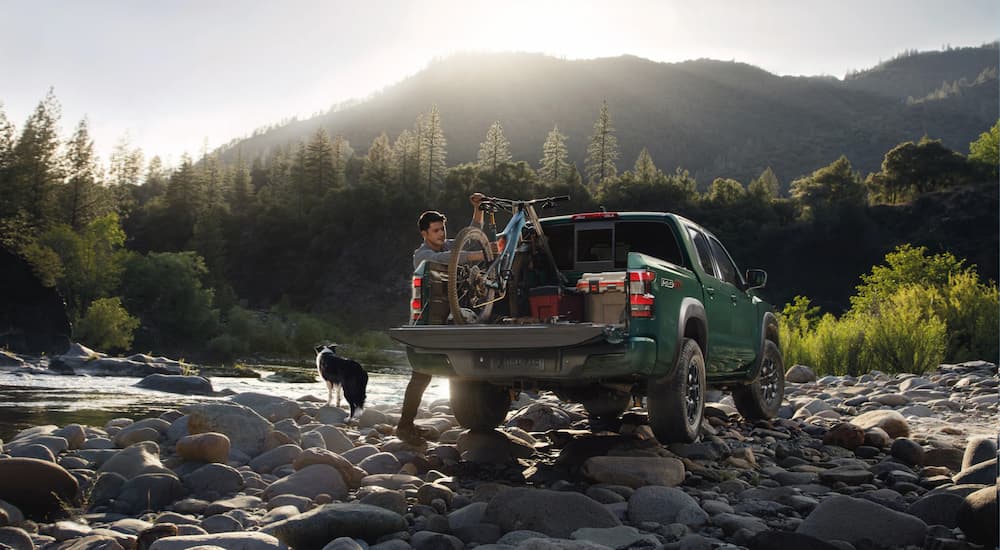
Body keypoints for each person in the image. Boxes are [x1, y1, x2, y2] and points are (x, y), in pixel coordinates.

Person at [396, 192, 487, 444]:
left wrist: (478, 208)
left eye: (442, 229)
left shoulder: (448, 245)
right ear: (424, 233)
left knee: (451, 370)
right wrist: (480, 256)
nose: (441, 233)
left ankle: (473, 417)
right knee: (421, 375)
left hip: (450, 320)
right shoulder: (422, 255)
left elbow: (471, 235)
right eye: (436, 230)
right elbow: (448, 259)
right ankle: (404, 427)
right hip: (426, 324)